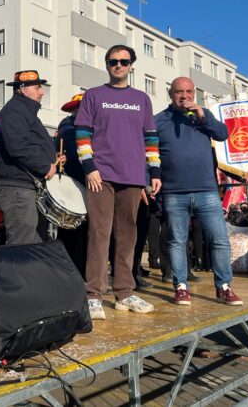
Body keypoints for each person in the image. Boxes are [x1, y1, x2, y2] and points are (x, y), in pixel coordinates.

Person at [75, 45, 161, 319]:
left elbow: (151, 138)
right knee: (99, 234)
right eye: (113, 61)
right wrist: (89, 167)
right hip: (101, 175)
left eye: (124, 61)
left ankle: (125, 292)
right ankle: (93, 294)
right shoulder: (93, 95)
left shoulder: (142, 99)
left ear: (132, 65)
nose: (119, 65)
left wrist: (154, 173)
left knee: (128, 235)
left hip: (133, 177)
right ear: (107, 64)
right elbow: (82, 132)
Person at [155, 76, 242, 306]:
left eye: (189, 92)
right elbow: (149, 155)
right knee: (176, 241)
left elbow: (223, 134)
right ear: (170, 93)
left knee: (219, 240)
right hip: (174, 192)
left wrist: (203, 117)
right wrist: (149, 181)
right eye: (178, 92)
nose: (184, 96)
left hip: (207, 191)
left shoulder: (203, 117)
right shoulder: (159, 121)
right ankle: (180, 287)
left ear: (194, 94)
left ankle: (224, 287)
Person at [0, 70, 64, 245]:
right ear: (23, 89)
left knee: (31, 244)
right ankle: (15, 274)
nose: (42, 92)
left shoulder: (23, 112)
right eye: (38, 88)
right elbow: (17, 146)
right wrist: (45, 166)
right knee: (21, 245)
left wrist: (51, 157)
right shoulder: (13, 112)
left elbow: (27, 144)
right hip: (18, 188)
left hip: (25, 187)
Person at [55, 93, 87, 276]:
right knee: (71, 230)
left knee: (84, 232)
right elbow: (74, 157)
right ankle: (71, 270)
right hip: (72, 186)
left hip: (86, 184)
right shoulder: (68, 129)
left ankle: (80, 269)